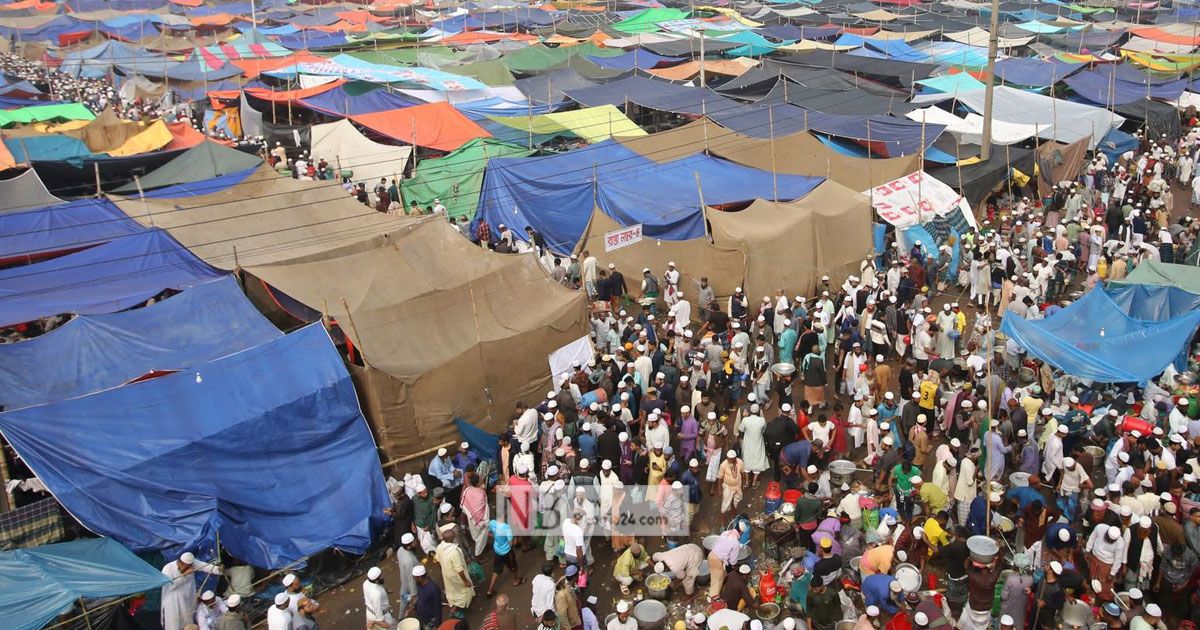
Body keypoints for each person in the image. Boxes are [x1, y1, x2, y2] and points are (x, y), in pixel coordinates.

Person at [161, 552, 222, 630]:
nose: (188, 567)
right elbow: (169, 586)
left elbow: (204, 566)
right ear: (180, 563)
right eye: (185, 566)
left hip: (187, 599)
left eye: (189, 566)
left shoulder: (191, 563)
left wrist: (217, 569)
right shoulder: (167, 568)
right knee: (174, 624)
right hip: (173, 601)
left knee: (188, 622)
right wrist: (184, 575)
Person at [435, 527, 474, 617]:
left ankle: (453, 606)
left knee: (452, 591)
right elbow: (459, 569)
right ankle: (454, 610)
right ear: (452, 538)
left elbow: (437, 560)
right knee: (463, 592)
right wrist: (465, 581)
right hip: (456, 576)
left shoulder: (440, 547)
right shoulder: (454, 551)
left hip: (447, 574)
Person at [486, 511, 524, 597]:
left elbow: (489, 533)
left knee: (496, 570)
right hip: (507, 551)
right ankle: (515, 580)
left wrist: (496, 538)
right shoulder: (506, 528)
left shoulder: (492, 523)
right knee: (513, 566)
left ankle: (490, 589)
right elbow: (511, 544)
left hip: (497, 550)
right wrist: (514, 540)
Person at [395, 533, 419, 612]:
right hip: (409, 586)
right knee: (408, 600)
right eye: (414, 542)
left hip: (403, 580)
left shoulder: (400, 550)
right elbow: (411, 578)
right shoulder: (410, 560)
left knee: (403, 598)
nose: (416, 542)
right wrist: (414, 594)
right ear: (408, 546)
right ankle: (401, 618)